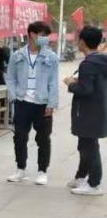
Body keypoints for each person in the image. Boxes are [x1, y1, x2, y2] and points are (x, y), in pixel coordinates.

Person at [6, 21, 59, 185]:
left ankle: (42, 171)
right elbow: (10, 77)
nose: (45, 38)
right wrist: (13, 96)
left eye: (47, 36)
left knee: (43, 138)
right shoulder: (17, 55)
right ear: (32, 34)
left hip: (42, 103)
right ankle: (21, 169)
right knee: (19, 137)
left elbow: (53, 82)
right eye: (42, 35)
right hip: (23, 102)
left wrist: (51, 103)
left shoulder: (51, 57)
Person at [64, 25, 107, 195]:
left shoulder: (88, 64)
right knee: (85, 145)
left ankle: (94, 184)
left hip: (88, 112)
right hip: (97, 110)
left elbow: (86, 89)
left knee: (89, 147)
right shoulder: (100, 61)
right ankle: (81, 177)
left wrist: (71, 84)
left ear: (82, 42)